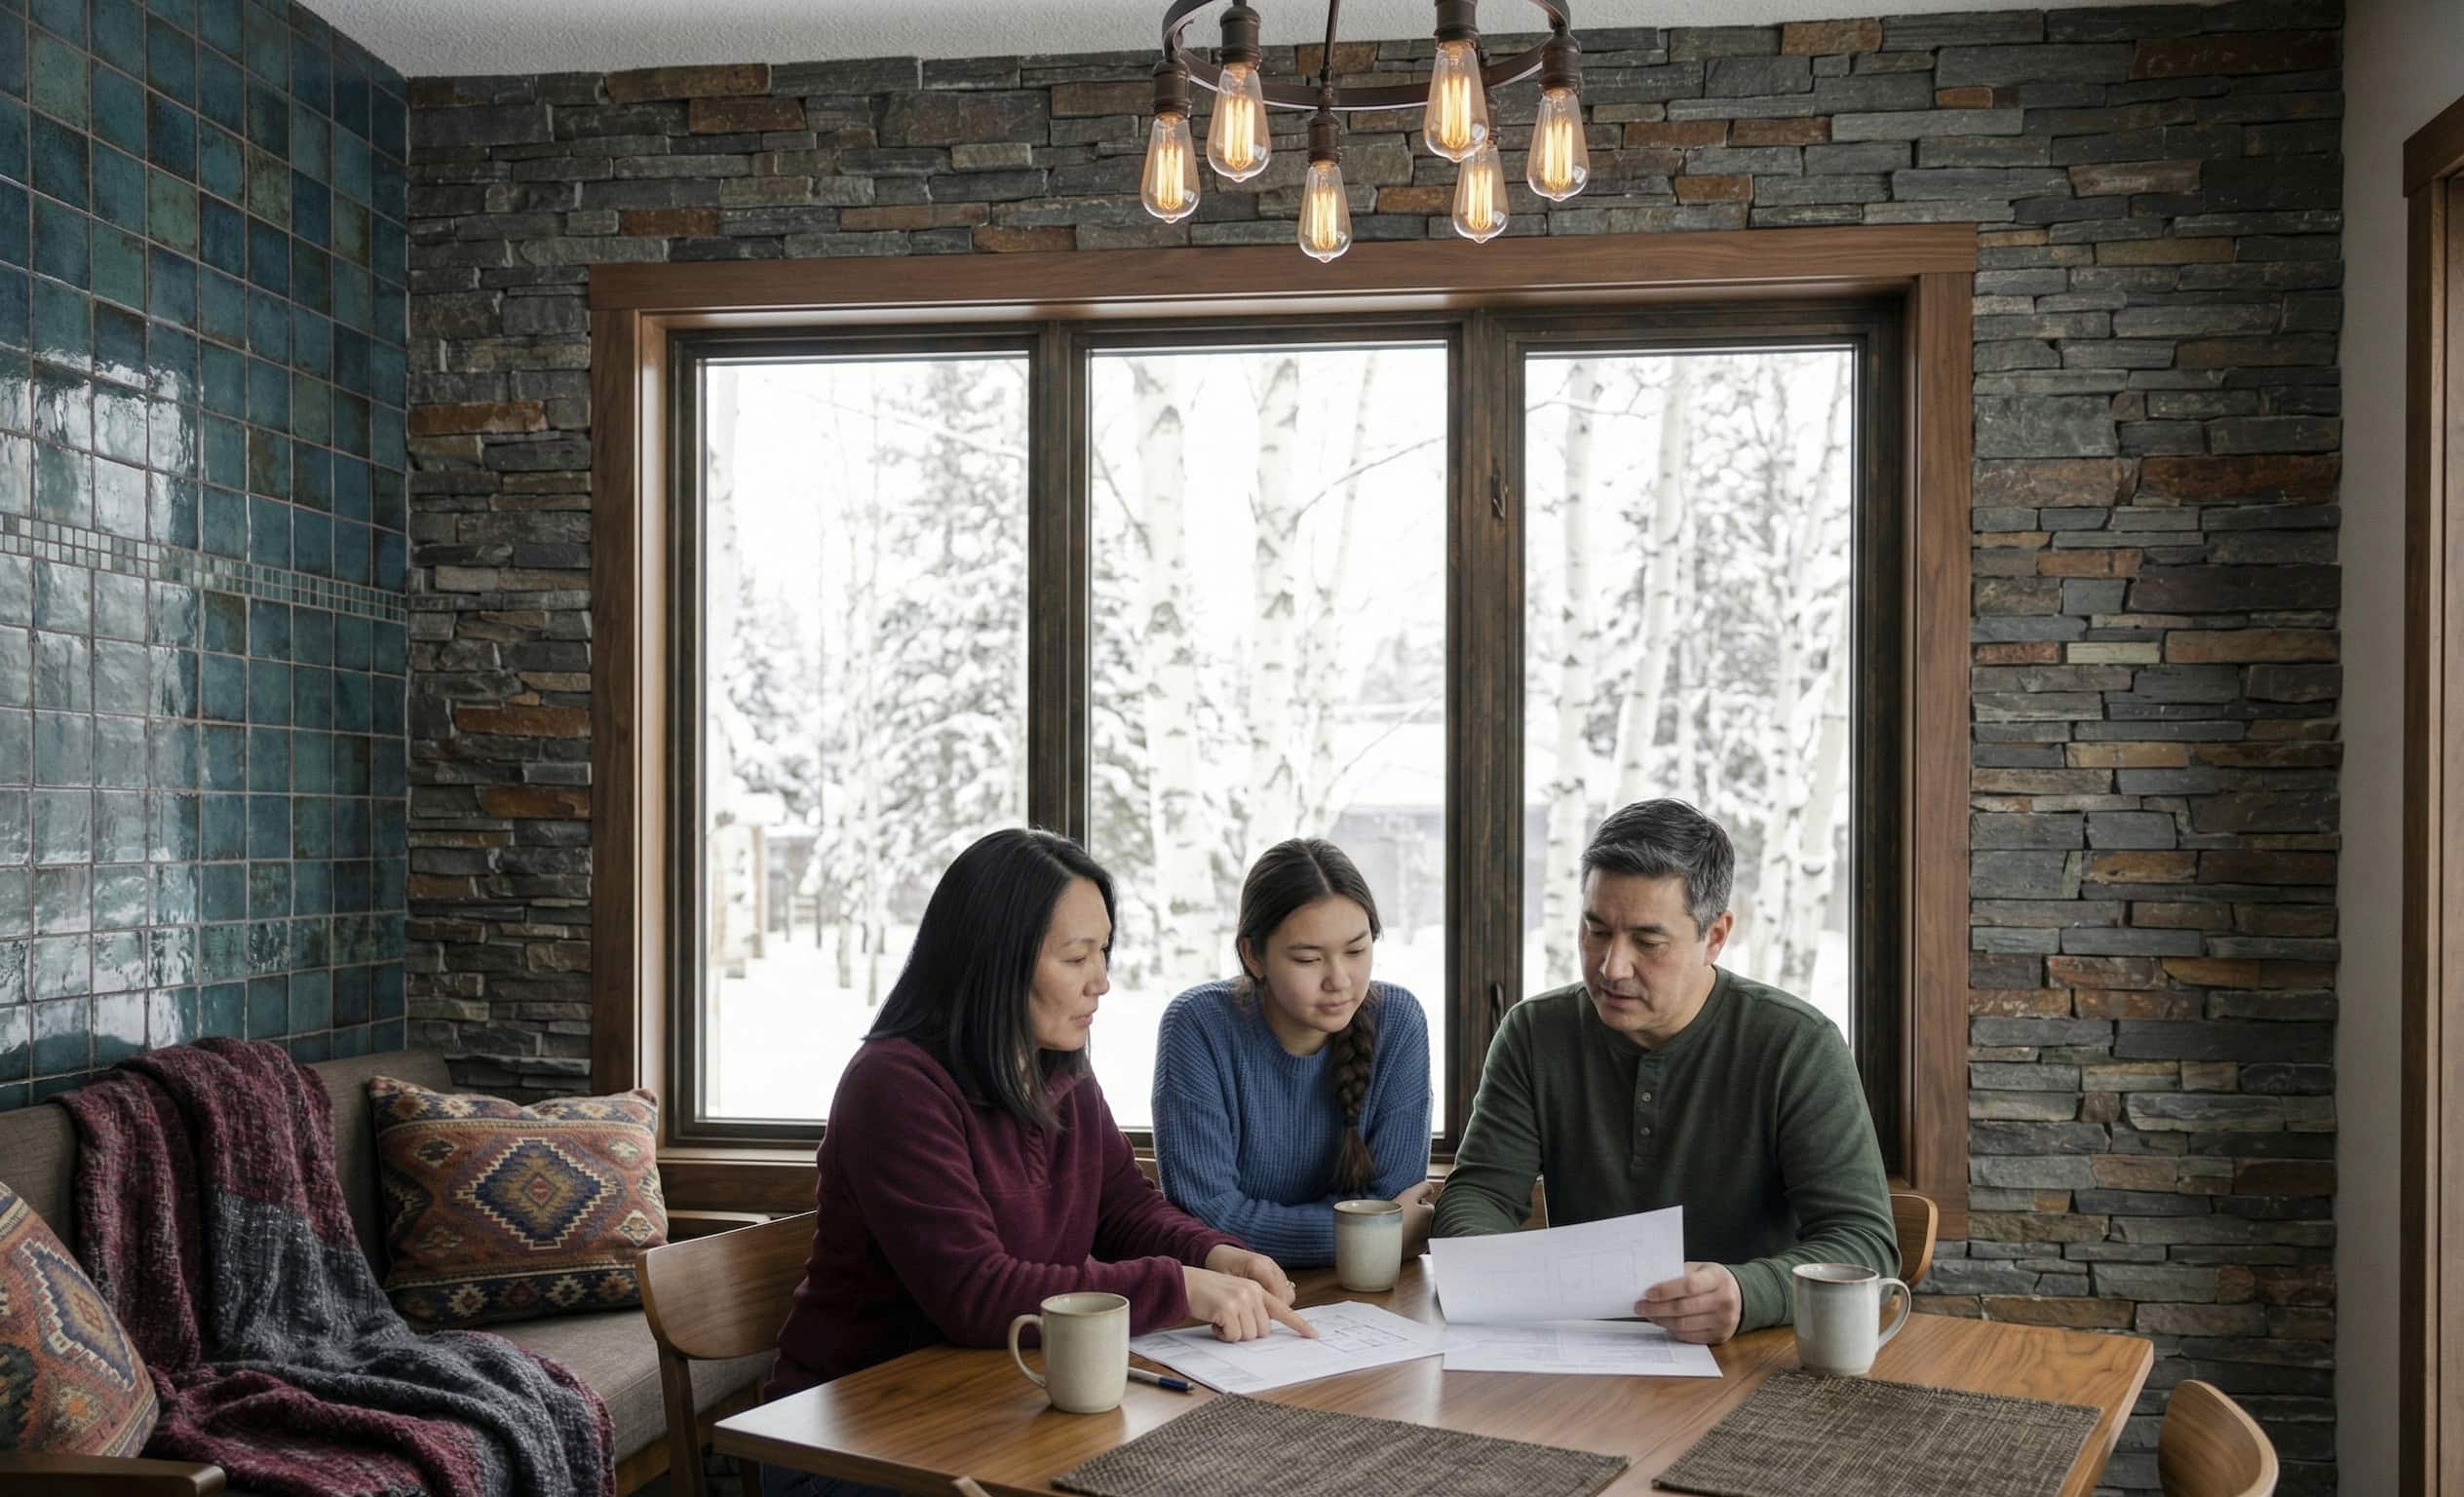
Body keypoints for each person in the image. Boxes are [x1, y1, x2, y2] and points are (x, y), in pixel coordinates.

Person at [766, 829, 1311, 1497]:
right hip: (853, 1441)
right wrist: (1182, 1287)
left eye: (1103, 952)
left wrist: (1219, 1255)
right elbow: (975, 1293)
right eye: (1077, 956)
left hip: (994, 1406)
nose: (1102, 982)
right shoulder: (894, 1084)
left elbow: (1124, 1207)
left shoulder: (1058, 1067)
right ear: (996, 961)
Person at [1431, 799, 1897, 1345]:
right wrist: (1486, 1272)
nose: (1611, 967)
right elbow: (1478, 1195)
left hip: (1752, 1358)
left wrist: (1748, 1293)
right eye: (1596, 931)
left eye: (1648, 942)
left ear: (1716, 936)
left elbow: (1866, 1244)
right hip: (1580, 1353)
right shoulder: (1535, 1033)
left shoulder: (1797, 1043)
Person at [1150, 838, 1435, 1268]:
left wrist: (1383, 1229)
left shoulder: (1399, 1023)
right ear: (1253, 956)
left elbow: (1393, 1200)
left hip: (1372, 1292)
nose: (1340, 980)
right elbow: (1206, 1218)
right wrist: (1374, 1234)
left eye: (1357, 950)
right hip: (1236, 1296)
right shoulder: (1197, 1027)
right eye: (1308, 959)